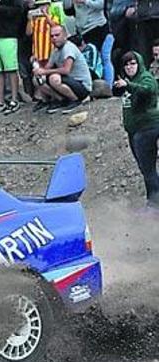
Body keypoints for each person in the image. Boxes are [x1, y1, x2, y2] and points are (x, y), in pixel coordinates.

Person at [113, 51, 159, 208]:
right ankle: (154, 200)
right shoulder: (126, 81)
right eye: (126, 64)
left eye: (133, 63)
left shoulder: (145, 77)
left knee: (148, 168)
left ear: (139, 64)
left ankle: (154, 205)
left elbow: (149, 90)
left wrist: (129, 85)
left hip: (147, 127)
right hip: (134, 131)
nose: (129, 67)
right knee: (144, 167)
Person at [33, 25, 93, 113]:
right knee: (37, 79)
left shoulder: (69, 48)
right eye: (52, 36)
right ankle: (58, 100)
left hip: (81, 85)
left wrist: (45, 71)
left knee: (54, 78)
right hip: (68, 82)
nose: (54, 38)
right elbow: (47, 67)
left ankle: (75, 100)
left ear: (65, 36)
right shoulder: (55, 51)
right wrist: (37, 67)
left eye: (57, 35)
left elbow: (66, 70)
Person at [70, 0, 114, 84]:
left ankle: (108, 87)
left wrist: (85, 1)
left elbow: (101, 5)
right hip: (83, 31)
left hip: (98, 27)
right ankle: (92, 86)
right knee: (88, 59)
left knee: (105, 57)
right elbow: (67, 9)